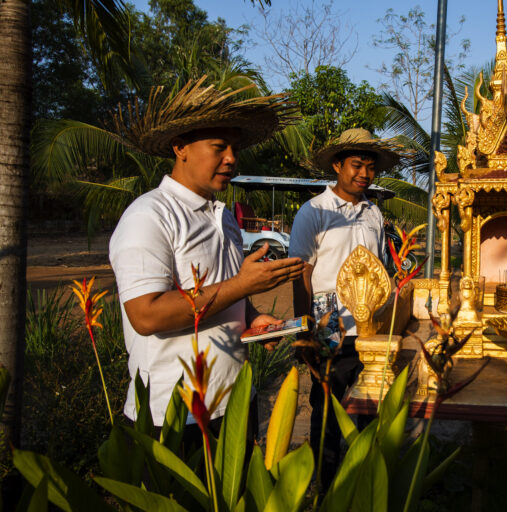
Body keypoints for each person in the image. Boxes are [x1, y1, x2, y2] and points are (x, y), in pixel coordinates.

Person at [109, 80, 305, 442]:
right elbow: (145, 314)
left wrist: (251, 316)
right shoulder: (150, 216)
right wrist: (242, 285)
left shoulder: (223, 216)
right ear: (180, 147)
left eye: (234, 148)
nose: (231, 158)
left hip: (232, 400)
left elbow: (224, 290)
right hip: (172, 413)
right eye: (218, 147)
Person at [289, 128, 402, 488]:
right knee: (327, 409)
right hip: (330, 327)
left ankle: (363, 485)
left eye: (370, 167)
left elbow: (381, 268)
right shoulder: (314, 212)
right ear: (337, 165)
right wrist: (304, 329)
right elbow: (300, 273)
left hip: (371, 331)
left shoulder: (373, 214)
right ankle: (325, 489)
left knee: (370, 406)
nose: (364, 174)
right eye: (356, 165)